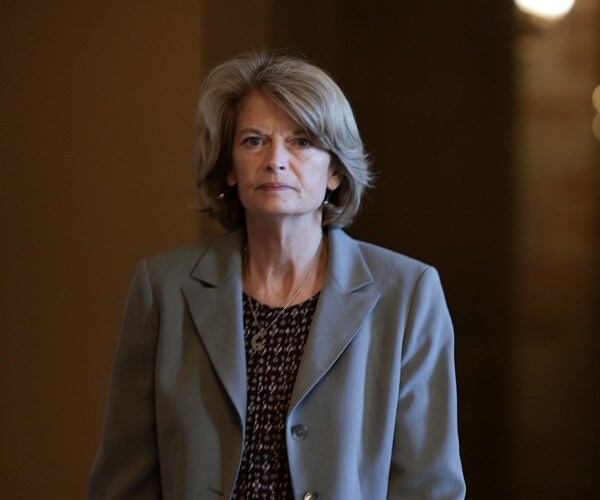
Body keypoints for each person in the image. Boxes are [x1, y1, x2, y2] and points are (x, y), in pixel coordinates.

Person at [89, 51, 466, 499]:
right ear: (229, 166)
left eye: (302, 141)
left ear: (335, 172)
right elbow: (124, 484)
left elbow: (429, 488)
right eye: (253, 141)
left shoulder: (408, 294)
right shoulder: (162, 289)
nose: (276, 160)